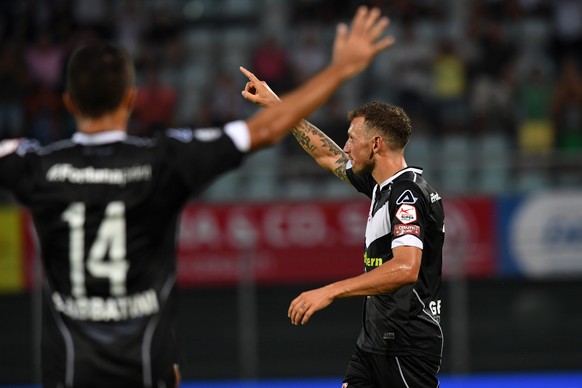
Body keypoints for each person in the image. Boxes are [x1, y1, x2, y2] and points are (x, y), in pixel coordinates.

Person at [0, 7, 393, 388]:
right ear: (130, 99)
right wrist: (340, 69)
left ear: (69, 102)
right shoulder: (164, 159)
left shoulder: (36, 165)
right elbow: (262, 132)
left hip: (69, 373)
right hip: (145, 369)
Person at [242, 71, 445, 387]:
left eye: (352, 138)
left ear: (375, 144)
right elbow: (327, 155)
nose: (346, 147)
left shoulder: (407, 194)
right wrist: (277, 106)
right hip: (374, 343)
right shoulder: (382, 186)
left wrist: (330, 291)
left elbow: (406, 268)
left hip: (405, 345)